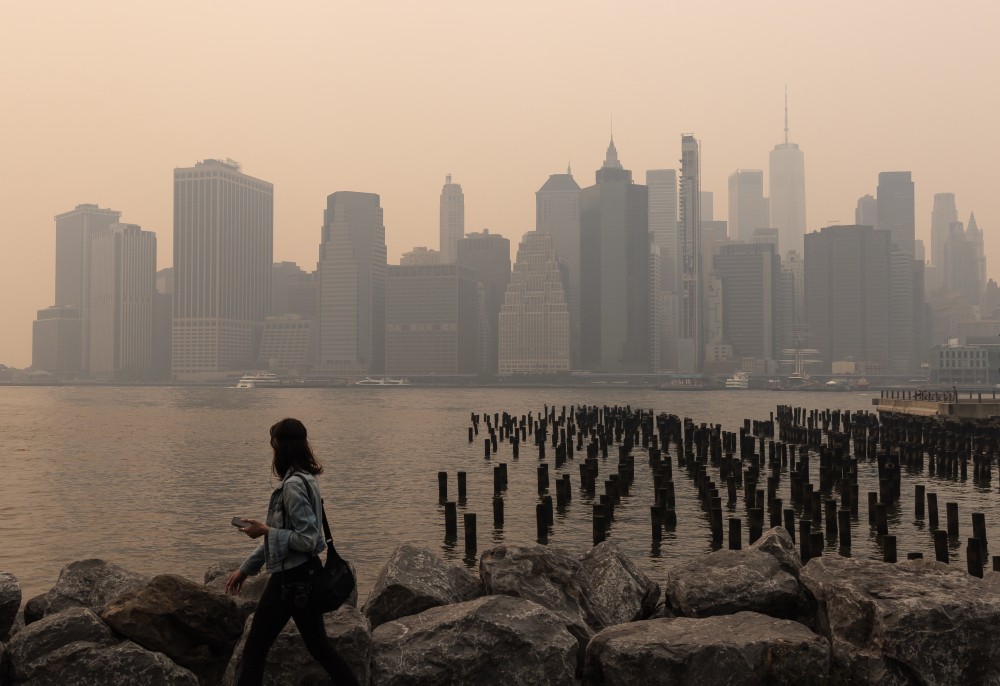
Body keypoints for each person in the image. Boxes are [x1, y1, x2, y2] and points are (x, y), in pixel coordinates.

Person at [226, 418, 359, 686]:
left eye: (273, 443)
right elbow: (280, 536)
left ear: (281, 447)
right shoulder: (307, 479)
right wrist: (246, 568)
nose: (272, 450)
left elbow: (308, 539)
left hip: (290, 581)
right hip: (305, 577)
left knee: (255, 649)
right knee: (320, 649)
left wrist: (266, 531)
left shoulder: (292, 486)